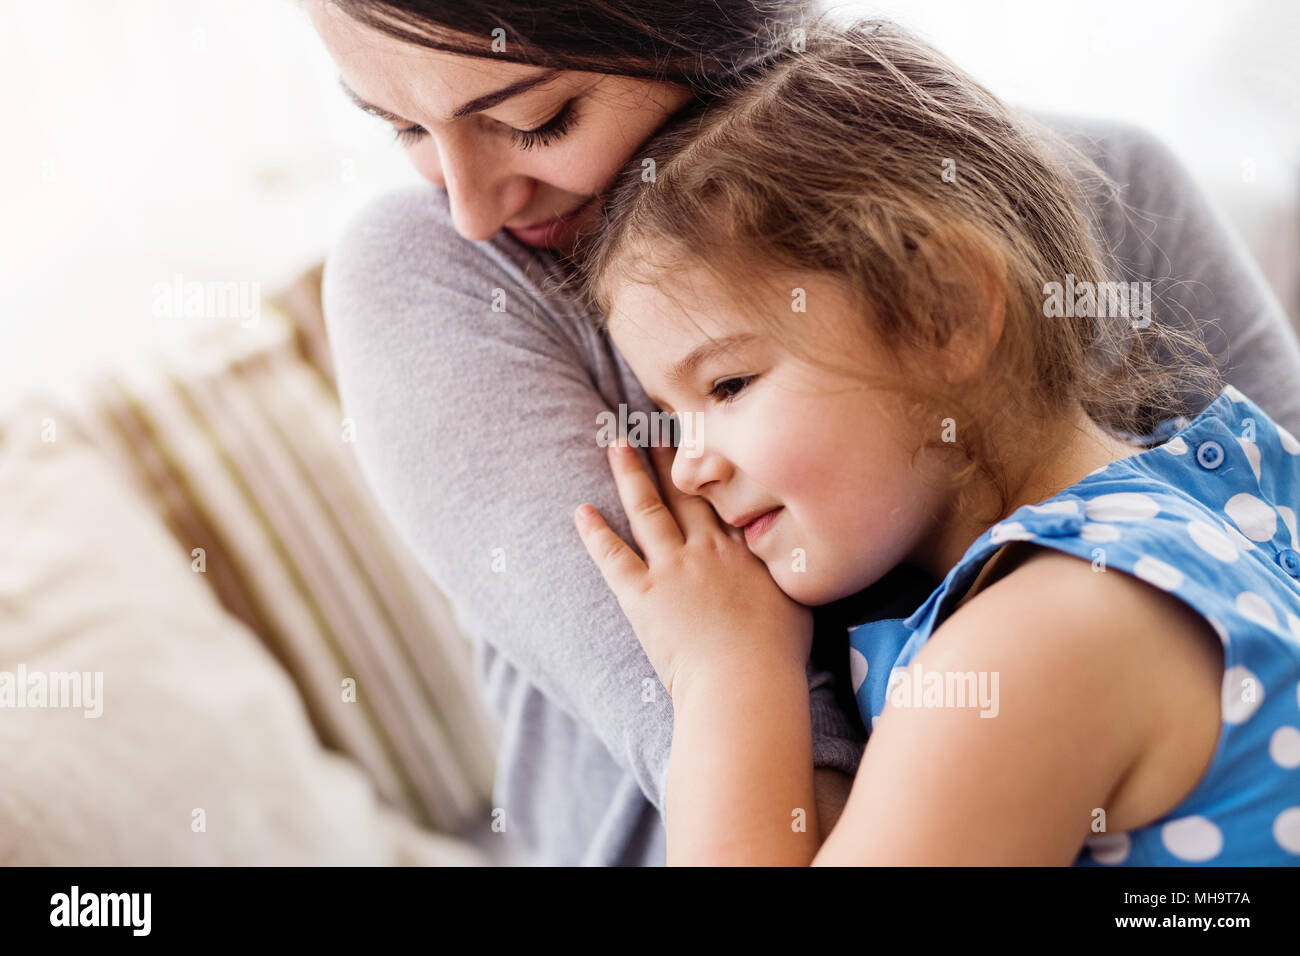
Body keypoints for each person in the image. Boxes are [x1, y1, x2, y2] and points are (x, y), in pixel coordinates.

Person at [309, 0, 1300, 864]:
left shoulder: (1034, 643)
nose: (469, 208)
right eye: (396, 126)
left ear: (944, 307)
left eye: (538, 120)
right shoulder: (1209, 488)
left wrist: (728, 667)